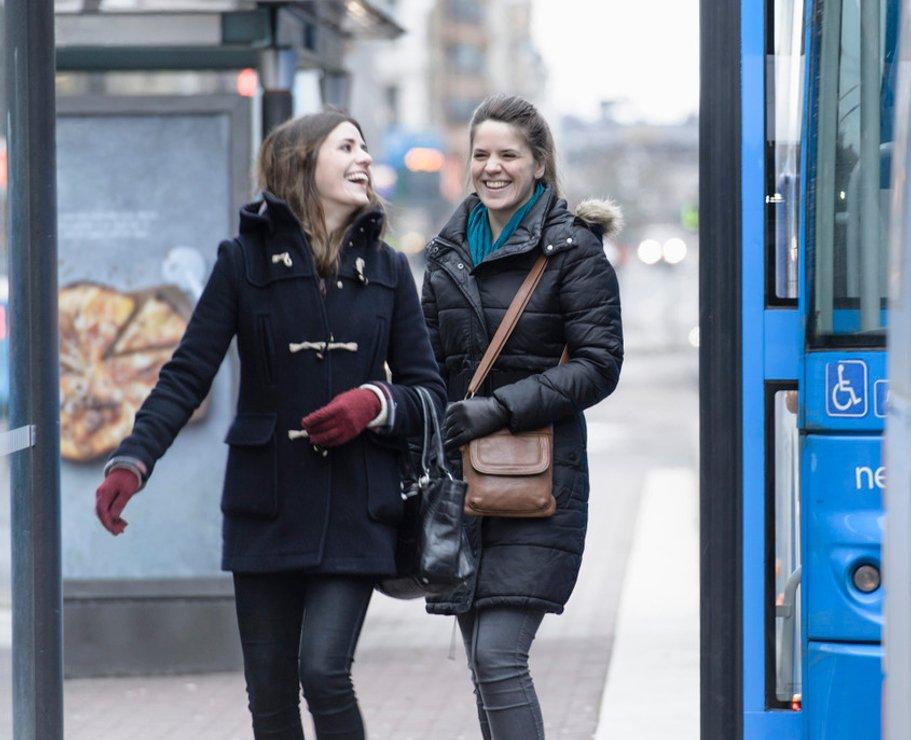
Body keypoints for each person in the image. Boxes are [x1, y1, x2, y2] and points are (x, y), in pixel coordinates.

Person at [92, 110, 446, 739]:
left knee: (325, 672)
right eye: (347, 146)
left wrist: (374, 401)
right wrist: (133, 459)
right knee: (271, 695)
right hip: (266, 503)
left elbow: (429, 393)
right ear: (301, 162)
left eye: (364, 147)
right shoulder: (242, 261)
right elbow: (187, 373)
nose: (364, 158)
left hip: (358, 506)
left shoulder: (389, 269)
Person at [422, 94, 623, 739]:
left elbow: (599, 365)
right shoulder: (447, 254)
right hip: (459, 487)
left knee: (498, 655)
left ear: (539, 164)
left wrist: (498, 410)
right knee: (484, 663)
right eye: (481, 154)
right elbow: (426, 364)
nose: (493, 167)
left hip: (538, 482)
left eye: (509, 154)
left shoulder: (573, 253)